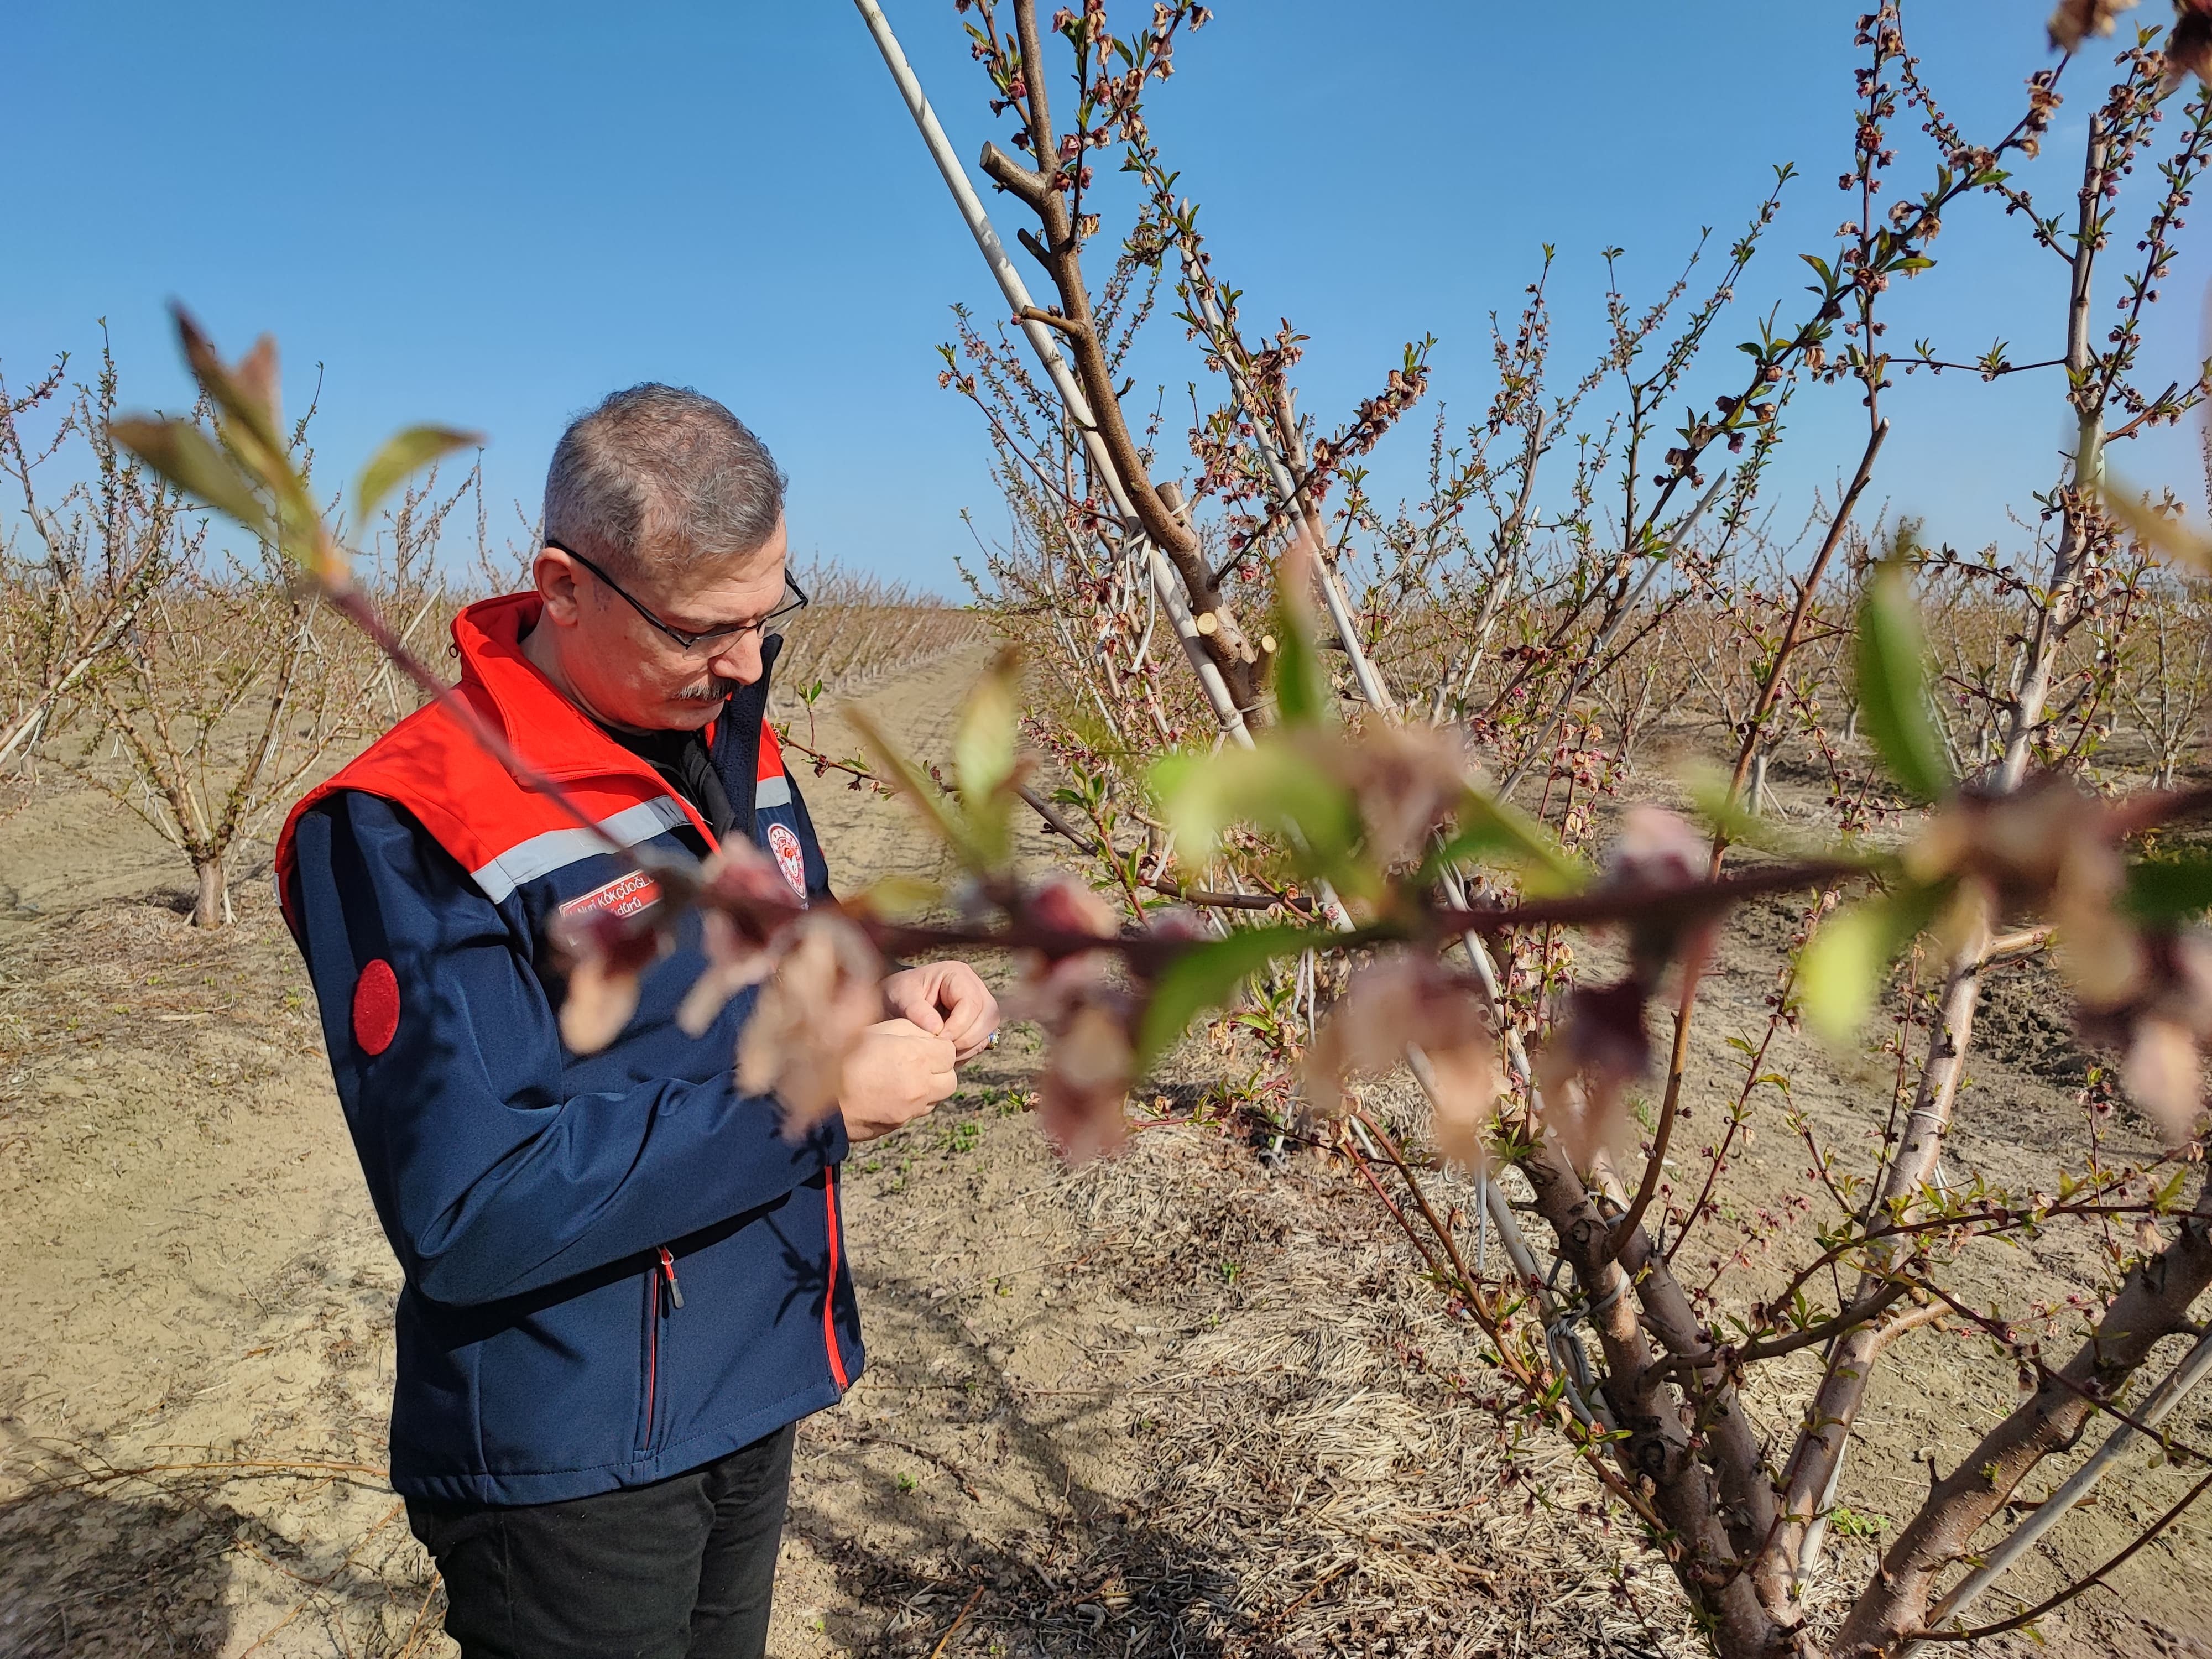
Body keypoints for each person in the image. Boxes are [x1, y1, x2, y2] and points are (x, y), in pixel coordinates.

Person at [274, 384, 998, 1658]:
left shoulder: (730, 739)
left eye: (770, 616)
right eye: (701, 631)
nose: (747, 664)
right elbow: (469, 1208)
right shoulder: (409, 822)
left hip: (744, 1374)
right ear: (562, 586)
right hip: (576, 1448)